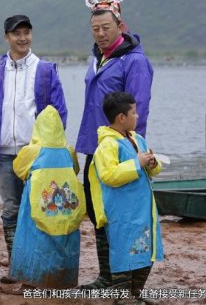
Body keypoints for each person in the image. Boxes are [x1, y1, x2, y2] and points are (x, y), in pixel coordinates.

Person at [0, 14, 67, 283]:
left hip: (36, 153)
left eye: (27, 32)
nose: (23, 37)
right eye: (17, 33)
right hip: (4, 153)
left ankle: (39, 264)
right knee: (11, 209)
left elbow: (58, 112)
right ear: (7, 37)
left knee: (39, 207)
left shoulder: (45, 70)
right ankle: (17, 267)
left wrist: (53, 150)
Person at [77, 0, 154, 289]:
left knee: (121, 216)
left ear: (120, 25)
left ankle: (123, 280)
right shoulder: (99, 58)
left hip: (119, 149)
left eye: (106, 28)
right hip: (94, 147)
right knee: (98, 213)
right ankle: (106, 276)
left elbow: (139, 109)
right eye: (95, 29)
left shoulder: (134, 61)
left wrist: (132, 148)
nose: (100, 34)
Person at [89, 92, 163, 300]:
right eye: (134, 112)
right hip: (122, 213)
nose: (137, 116)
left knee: (146, 252)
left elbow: (151, 170)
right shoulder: (107, 145)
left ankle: (135, 294)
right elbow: (108, 175)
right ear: (121, 117)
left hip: (142, 210)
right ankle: (122, 297)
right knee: (123, 253)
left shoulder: (137, 138)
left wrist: (152, 163)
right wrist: (136, 163)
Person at [10, 106, 85, 288]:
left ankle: (32, 279)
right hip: (65, 207)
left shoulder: (32, 151)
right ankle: (63, 280)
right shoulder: (68, 151)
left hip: (39, 203)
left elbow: (18, 168)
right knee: (64, 238)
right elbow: (75, 169)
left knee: (35, 238)